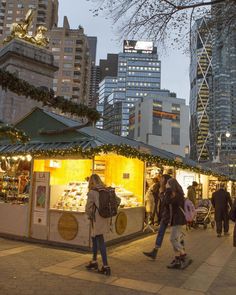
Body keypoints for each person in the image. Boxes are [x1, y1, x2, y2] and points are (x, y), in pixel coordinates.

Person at [85, 174, 111, 276]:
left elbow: (88, 208)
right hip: (104, 217)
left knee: (100, 239)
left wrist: (89, 215)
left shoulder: (92, 192)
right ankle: (94, 261)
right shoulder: (106, 189)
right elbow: (117, 200)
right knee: (94, 238)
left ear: (91, 182)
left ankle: (106, 266)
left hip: (96, 219)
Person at [143, 174, 171, 259]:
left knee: (175, 236)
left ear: (165, 180)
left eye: (161, 179)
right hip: (166, 215)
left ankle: (181, 253)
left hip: (171, 216)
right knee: (161, 232)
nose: (160, 180)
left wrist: (161, 192)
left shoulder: (168, 190)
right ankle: (154, 251)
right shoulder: (163, 188)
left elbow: (166, 202)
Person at [166, 178, 192, 269]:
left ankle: (183, 253)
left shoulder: (178, 195)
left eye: (167, 184)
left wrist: (168, 191)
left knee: (172, 239)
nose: (166, 185)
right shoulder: (177, 194)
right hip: (176, 219)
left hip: (178, 220)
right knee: (175, 239)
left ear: (171, 185)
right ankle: (177, 258)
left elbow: (167, 202)